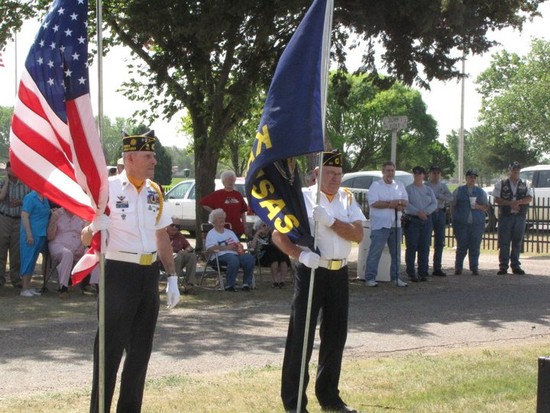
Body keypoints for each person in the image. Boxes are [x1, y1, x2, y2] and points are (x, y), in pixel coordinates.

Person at [82, 130, 181, 413]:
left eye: (153, 155)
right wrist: (93, 228)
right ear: (130, 158)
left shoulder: (155, 190)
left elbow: (161, 235)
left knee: (140, 353)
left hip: (148, 275)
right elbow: (85, 238)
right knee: (109, 351)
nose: (154, 160)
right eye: (148, 156)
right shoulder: (106, 188)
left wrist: (172, 276)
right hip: (118, 273)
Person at [272, 151, 365, 413]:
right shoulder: (302, 198)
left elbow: (358, 234)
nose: (336, 178)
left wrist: (331, 221)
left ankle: (329, 397)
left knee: (335, 336)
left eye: (339, 174)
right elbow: (279, 235)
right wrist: (299, 254)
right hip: (312, 269)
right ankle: (294, 403)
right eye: (330, 173)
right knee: (301, 336)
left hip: (339, 272)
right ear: (316, 174)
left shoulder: (347, 198)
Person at [364, 161, 409, 287]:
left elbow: (405, 202)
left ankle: (396, 278)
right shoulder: (376, 185)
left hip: (396, 224)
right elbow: (374, 203)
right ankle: (370, 278)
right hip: (380, 224)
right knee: (375, 252)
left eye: (392, 170)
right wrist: (391, 204)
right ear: (383, 172)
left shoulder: (399, 185)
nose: (390, 173)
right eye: (388, 170)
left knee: (396, 254)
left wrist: (397, 202)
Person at [494, 161, 533, 275]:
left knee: (517, 242)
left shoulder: (525, 183)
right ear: (509, 171)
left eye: (517, 170)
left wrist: (518, 202)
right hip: (505, 216)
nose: (516, 171)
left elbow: (529, 198)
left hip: (519, 217)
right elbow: (497, 199)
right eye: (513, 170)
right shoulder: (501, 183)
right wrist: (510, 203)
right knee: (504, 242)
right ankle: (503, 266)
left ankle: (515, 266)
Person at [204, 208, 255, 292]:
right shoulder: (211, 233)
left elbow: (238, 243)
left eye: (223, 217)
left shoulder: (229, 232)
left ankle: (246, 284)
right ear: (214, 221)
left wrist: (239, 247)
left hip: (235, 254)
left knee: (249, 258)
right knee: (233, 259)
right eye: (219, 218)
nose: (222, 219)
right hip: (219, 256)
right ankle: (230, 285)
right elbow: (210, 248)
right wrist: (226, 247)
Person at [451, 169, 489, 276]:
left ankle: (474, 267)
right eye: (470, 177)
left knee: (475, 246)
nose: (472, 179)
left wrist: (478, 206)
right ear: (466, 178)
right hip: (461, 223)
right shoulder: (459, 191)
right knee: (461, 246)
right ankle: (458, 268)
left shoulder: (481, 192)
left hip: (477, 224)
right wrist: (454, 219)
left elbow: (486, 206)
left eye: (474, 177)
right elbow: (453, 206)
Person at [0, 161, 30, 288]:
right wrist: (6, 181)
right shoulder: (2, 183)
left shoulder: (25, 184)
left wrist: (20, 202)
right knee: (1, 249)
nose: (13, 171)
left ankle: (16, 279)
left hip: (19, 220)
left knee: (15, 252)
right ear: (7, 169)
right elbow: (1, 198)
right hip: (4, 218)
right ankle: (1, 279)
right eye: (10, 168)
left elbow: (30, 201)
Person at [404, 166, 437, 282]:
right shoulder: (408, 189)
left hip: (426, 220)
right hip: (413, 220)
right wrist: (417, 212)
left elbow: (434, 203)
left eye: (420, 173)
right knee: (412, 246)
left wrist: (425, 212)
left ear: (424, 175)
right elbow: (406, 204)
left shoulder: (428, 190)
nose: (418, 175)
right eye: (415, 173)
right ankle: (411, 272)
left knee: (424, 247)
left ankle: (423, 272)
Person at [47, 207, 86, 298]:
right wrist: (54, 220)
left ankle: (95, 286)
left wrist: (82, 247)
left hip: (78, 247)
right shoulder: (57, 214)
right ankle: (64, 288)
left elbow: (84, 235)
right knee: (67, 254)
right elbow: (50, 237)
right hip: (59, 245)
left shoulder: (81, 214)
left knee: (93, 254)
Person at [200, 170, 249, 238]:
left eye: (232, 180)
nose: (230, 182)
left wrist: (245, 225)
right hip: (222, 227)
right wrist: (215, 212)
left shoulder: (238, 195)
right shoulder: (217, 194)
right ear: (223, 182)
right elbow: (203, 203)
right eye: (228, 180)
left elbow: (243, 211)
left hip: (236, 228)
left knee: (235, 246)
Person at [19, 190, 51, 297]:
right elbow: (24, 215)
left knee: (33, 260)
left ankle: (28, 286)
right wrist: (29, 234)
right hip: (30, 234)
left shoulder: (45, 198)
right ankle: (24, 288)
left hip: (41, 234)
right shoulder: (30, 197)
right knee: (27, 259)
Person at [425, 165, 454, 276]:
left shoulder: (443, 186)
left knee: (440, 241)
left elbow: (450, 198)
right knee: (426, 241)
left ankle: (437, 267)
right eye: (433, 173)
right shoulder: (426, 186)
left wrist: (438, 196)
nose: (436, 175)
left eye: (438, 173)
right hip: (429, 214)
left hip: (440, 213)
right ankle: (424, 267)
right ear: (429, 174)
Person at [248, 220, 290, 288]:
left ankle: (282, 281)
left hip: (273, 256)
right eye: (264, 226)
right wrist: (257, 234)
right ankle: (275, 281)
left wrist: (272, 233)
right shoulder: (253, 237)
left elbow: (277, 245)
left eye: (267, 225)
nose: (266, 227)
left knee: (282, 254)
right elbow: (252, 248)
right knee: (273, 254)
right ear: (258, 227)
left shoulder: (271, 235)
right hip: (260, 258)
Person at [166, 222, 197, 293]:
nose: (175, 227)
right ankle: (174, 285)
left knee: (192, 256)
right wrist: (175, 251)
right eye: (172, 225)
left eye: (177, 226)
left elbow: (189, 247)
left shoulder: (179, 235)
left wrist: (185, 251)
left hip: (178, 258)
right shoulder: (162, 234)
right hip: (165, 261)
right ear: (166, 225)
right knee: (178, 256)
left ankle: (189, 285)